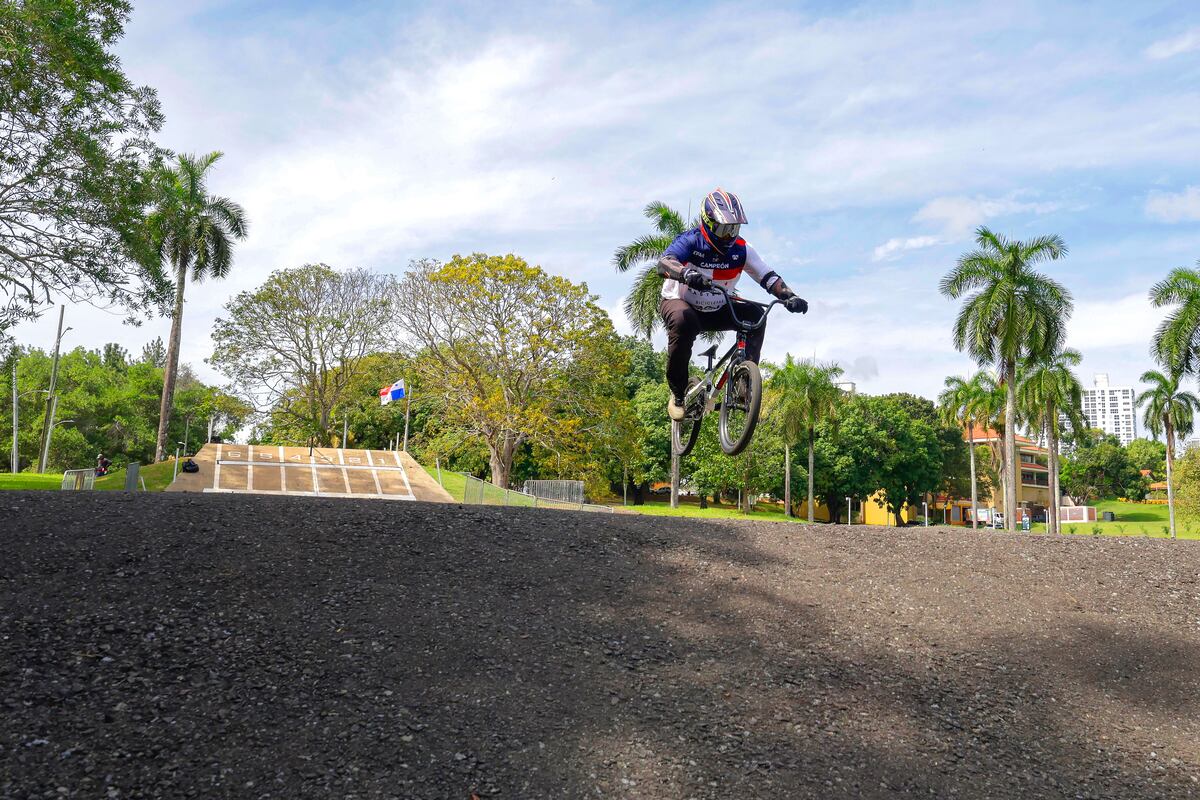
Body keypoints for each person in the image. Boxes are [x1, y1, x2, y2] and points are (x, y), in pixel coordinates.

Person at [657, 188, 808, 420]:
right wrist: (685, 273)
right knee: (682, 320)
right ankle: (677, 393)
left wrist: (789, 296)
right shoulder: (690, 241)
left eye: (733, 229)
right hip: (682, 303)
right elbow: (665, 263)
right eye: (723, 229)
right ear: (707, 223)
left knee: (756, 315)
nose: (728, 236)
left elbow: (767, 276)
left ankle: (744, 386)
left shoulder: (742, 249)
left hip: (718, 308)